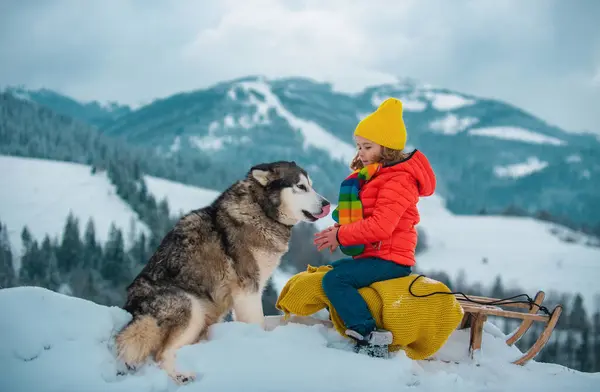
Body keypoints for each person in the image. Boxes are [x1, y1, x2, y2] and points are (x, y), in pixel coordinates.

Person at [313, 97, 436, 353]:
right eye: (358, 147)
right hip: (374, 255)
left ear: (388, 147)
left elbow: (381, 227)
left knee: (336, 280)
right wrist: (338, 232)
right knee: (328, 273)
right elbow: (362, 216)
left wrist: (342, 236)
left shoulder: (399, 180)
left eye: (367, 147)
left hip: (391, 260)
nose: (361, 153)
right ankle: (341, 325)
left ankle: (369, 334)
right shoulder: (374, 176)